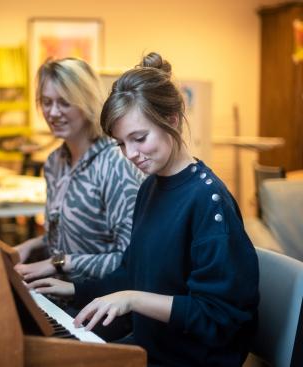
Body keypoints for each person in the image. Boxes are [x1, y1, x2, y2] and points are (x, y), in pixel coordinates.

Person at [27, 52, 259, 367]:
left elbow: (217, 316)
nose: (131, 154)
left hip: (189, 357)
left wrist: (133, 299)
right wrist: (73, 288)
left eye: (139, 138)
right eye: (121, 144)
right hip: (150, 345)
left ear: (172, 120)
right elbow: (131, 271)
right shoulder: (151, 187)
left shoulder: (208, 201)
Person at [14, 58, 144, 334]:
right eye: (46, 102)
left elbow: (129, 257)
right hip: (56, 298)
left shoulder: (115, 163)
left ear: (86, 101)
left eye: (64, 102)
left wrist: (55, 263)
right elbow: (71, 232)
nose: (53, 112)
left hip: (101, 306)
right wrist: (33, 245)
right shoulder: (54, 162)